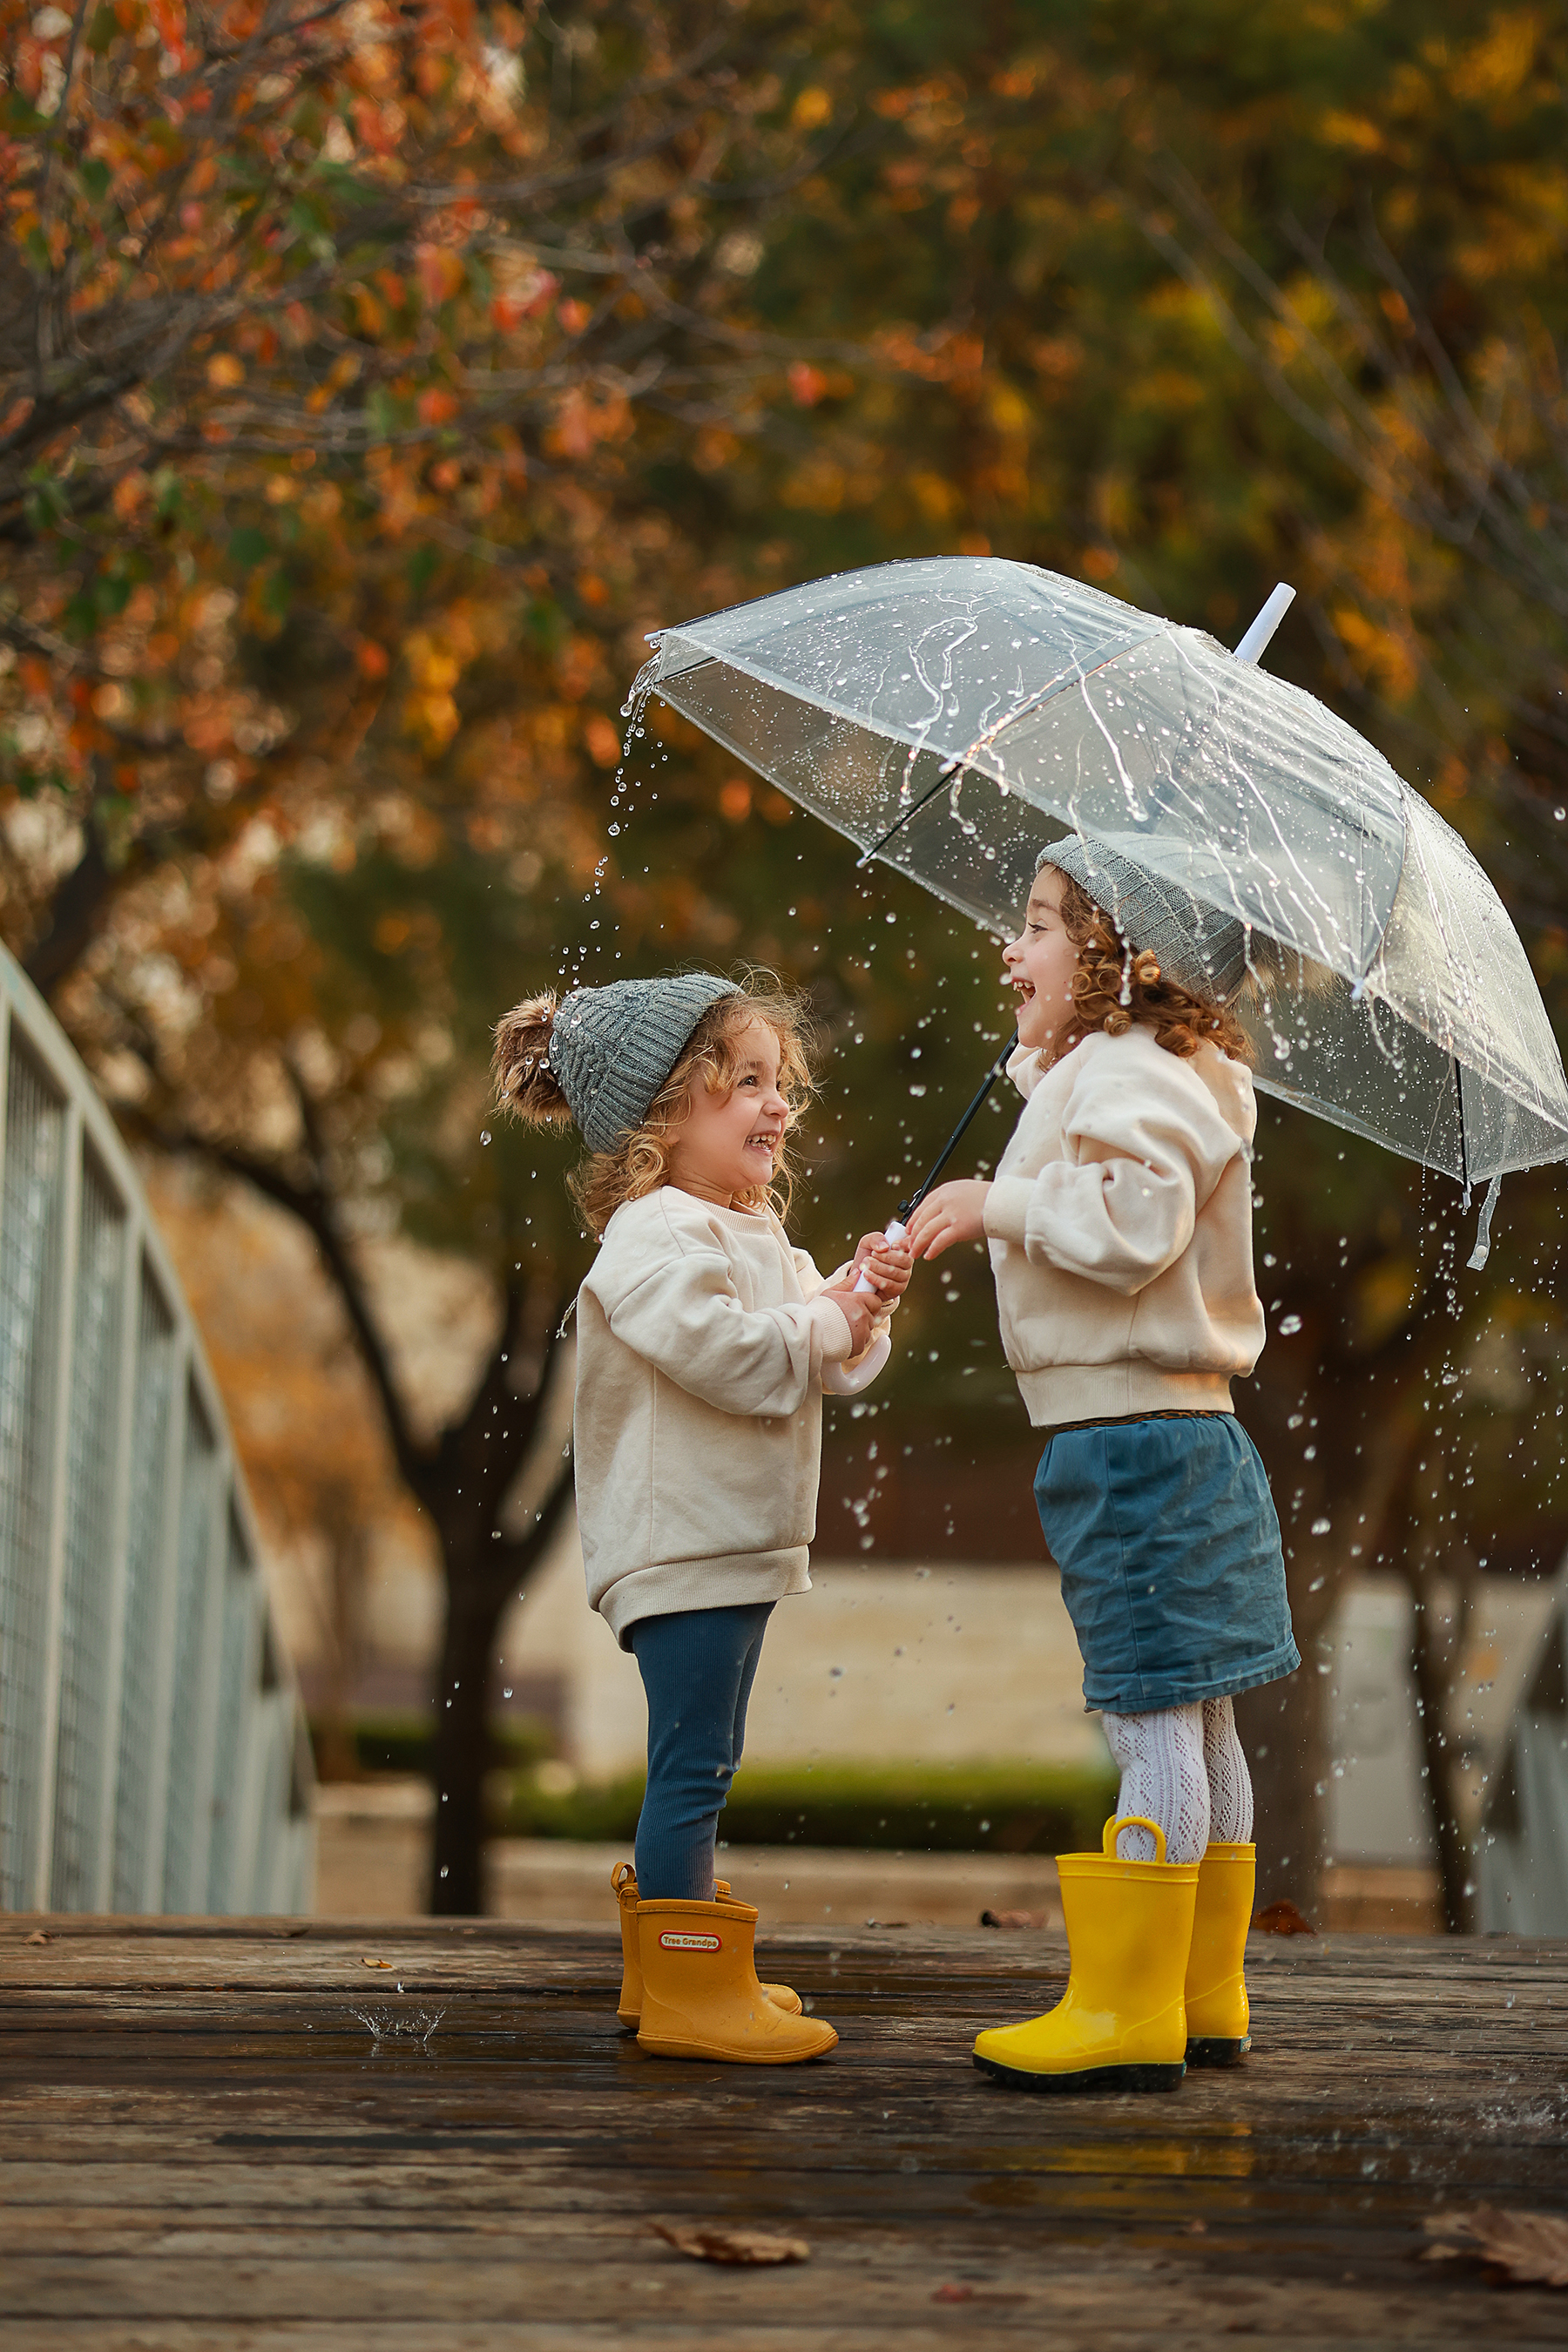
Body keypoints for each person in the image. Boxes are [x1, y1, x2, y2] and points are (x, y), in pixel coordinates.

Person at [908, 839, 1298, 2093]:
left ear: (1115, 957)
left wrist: (995, 1201)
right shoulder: (1158, 1069)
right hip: (1184, 1432)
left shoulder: (1136, 1072)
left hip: (1129, 1441)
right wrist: (1046, 1074)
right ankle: (1200, 1991)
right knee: (1201, 1706)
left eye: (1034, 926)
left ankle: (1128, 2008)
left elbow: (1131, 1230)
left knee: (1148, 1716)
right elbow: (1118, 1165)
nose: (1007, 948)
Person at [494, 969, 911, 2065]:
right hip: (680, 1546)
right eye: (749, 1084)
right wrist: (825, 1319)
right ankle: (688, 1990)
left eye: (783, 1085)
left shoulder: (751, 1227)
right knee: (693, 1765)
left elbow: (826, 1358)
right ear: (667, 1110)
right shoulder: (653, 1236)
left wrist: (861, 1302)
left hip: (733, 1544)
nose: (779, 1105)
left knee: (704, 1756)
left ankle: (668, 1973)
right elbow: (733, 1357)